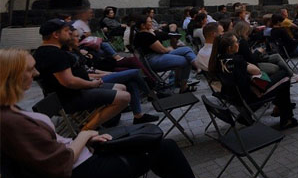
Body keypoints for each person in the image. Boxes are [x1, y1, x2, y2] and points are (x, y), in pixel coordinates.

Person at [0, 48, 196, 178]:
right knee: (165, 147)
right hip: (85, 168)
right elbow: (58, 163)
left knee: (156, 144)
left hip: (84, 151)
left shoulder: (10, 110)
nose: (35, 74)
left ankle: (149, 100)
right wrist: (84, 135)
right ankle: (153, 93)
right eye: (29, 69)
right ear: (11, 76)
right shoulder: (9, 121)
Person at [33, 19, 130, 130]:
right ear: (55, 34)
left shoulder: (40, 52)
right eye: (65, 31)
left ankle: (101, 121)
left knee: (121, 87)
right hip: (70, 99)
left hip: (68, 95)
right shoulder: (55, 54)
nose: (69, 33)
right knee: (124, 97)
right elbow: (69, 82)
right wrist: (91, 84)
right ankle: (86, 129)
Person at [65, 27, 158, 124]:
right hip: (92, 81)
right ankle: (153, 91)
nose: (79, 39)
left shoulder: (76, 52)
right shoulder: (68, 56)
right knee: (134, 72)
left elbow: (90, 69)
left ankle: (138, 116)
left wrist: (106, 73)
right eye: (76, 36)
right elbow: (84, 75)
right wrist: (103, 75)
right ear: (68, 38)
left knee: (131, 81)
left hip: (98, 74)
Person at [208, 32, 298, 129]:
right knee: (284, 76)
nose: (238, 43)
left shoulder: (216, 61)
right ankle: (286, 118)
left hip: (233, 96)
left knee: (281, 83)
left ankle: (280, 113)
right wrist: (245, 62)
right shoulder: (236, 60)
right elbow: (256, 70)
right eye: (236, 42)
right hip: (250, 96)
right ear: (230, 48)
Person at [131, 14, 198, 93]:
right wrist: (169, 48)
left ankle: (196, 68)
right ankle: (184, 85)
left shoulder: (143, 34)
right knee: (186, 60)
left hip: (156, 57)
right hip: (154, 59)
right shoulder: (145, 36)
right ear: (143, 25)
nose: (151, 23)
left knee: (187, 49)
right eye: (149, 22)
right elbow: (162, 50)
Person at [234, 21, 298, 83]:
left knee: (276, 56)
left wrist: (254, 52)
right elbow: (251, 59)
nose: (249, 32)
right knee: (276, 67)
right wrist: (258, 52)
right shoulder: (242, 42)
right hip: (253, 64)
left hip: (252, 61)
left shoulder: (239, 40)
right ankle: (287, 78)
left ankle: (292, 75)